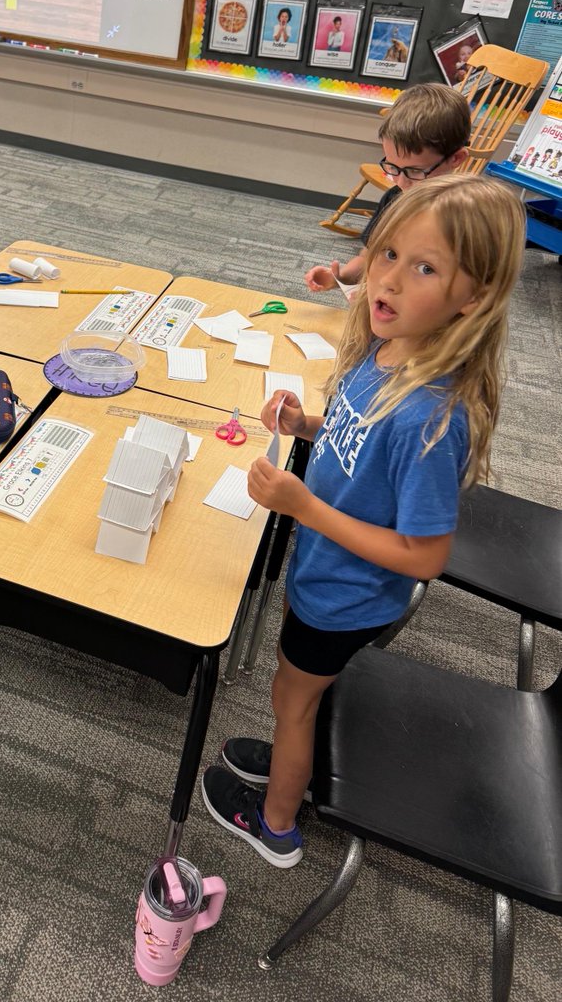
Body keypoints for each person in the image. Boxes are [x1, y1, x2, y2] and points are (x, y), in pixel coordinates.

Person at [203, 174, 525, 868]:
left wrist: (306, 508)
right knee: (300, 695)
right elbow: (354, 440)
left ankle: (278, 822)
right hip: (324, 571)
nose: (389, 281)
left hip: (343, 597)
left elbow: (424, 556)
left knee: (291, 697)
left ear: (473, 297)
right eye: (387, 255)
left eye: (425, 268)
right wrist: (306, 424)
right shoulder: (388, 352)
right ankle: (301, 746)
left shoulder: (428, 420)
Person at [305, 82, 470, 293]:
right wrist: (340, 277)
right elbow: (369, 257)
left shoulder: (466, 219)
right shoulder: (394, 199)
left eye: (416, 171)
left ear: (456, 158)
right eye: (392, 167)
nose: (401, 183)